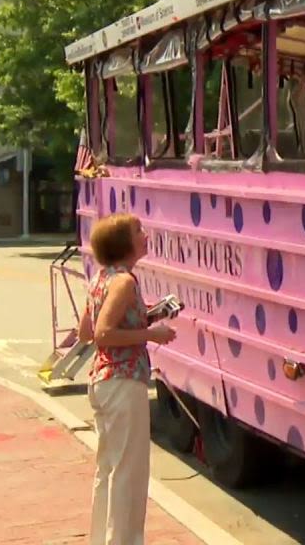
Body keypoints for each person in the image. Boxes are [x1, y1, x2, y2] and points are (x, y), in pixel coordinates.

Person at [77, 213, 176, 545]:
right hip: (124, 381)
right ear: (124, 242)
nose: (145, 235)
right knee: (129, 475)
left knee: (108, 470)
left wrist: (143, 316)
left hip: (102, 381)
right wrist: (153, 332)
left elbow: (86, 331)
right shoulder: (125, 282)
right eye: (138, 231)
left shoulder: (101, 279)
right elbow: (104, 333)